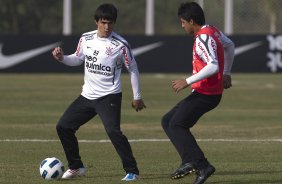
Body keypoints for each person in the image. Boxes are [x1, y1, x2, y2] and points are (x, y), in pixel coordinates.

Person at [51, 3, 146, 181]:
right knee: (63, 127)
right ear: (96, 22)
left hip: (109, 96)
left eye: (110, 23)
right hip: (87, 96)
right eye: (103, 22)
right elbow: (77, 59)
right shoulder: (86, 39)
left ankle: (132, 170)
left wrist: (137, 96)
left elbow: (133, 69)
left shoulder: (121, 44)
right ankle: (76, 166)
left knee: (113, 132)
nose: (107, 27)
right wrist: (62, 58)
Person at [161, 2, 234, 184]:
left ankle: (202, 166)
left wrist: (187, 81)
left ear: (191, 21)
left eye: (183, 22)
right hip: (206, 92)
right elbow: (230, 45)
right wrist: (226, 73)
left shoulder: (203, 38)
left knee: (177, 124)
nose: (182, 25)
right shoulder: (213, 30)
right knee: (168, 121)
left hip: (206, 94)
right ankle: (188, 161)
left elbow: (212, 66)